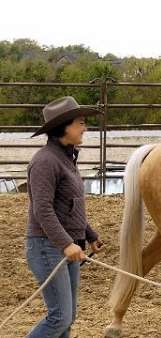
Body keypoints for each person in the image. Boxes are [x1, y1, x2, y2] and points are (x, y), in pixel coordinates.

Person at [25, 96, 105, 338]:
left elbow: (70, 205)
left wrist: (89, 235)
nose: (85, 128)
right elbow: (43, 209)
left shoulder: (66, 158)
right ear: (65, 127)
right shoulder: (45, 161)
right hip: (47, 246)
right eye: (80, 122)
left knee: (67, 318)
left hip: (64, 245)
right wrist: (66, 243)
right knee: (59, 317)